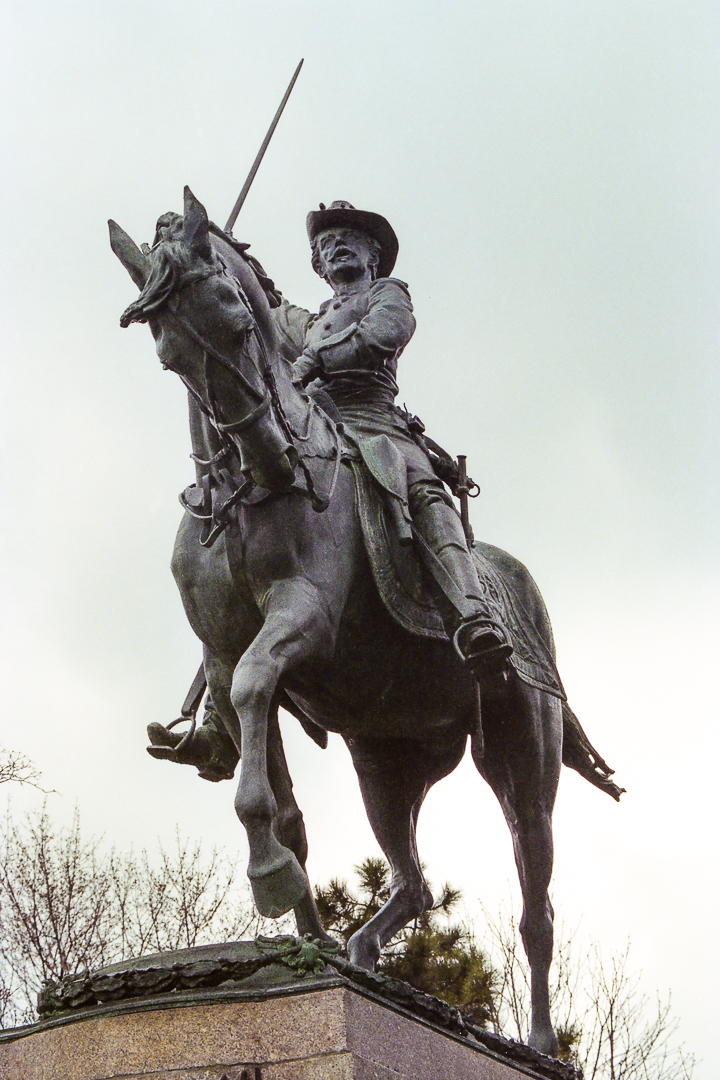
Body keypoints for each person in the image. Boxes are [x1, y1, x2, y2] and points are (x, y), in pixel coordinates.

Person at [272, 200, 512, 676]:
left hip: (374, 420)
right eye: (325, 244)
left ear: (373, 256)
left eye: (348, 239)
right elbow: (264, 311)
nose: (335, 247)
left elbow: (386, 332)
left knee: (423, 492)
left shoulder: (386, 293)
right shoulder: (311, 322)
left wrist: (316, 359)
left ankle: (472, 614)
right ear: (318, 266)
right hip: (318, 426)